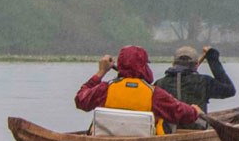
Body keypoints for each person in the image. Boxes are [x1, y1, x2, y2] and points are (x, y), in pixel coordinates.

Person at [74, 45, 203, 135]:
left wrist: (101, 72)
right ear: (143, 67)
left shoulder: (105, 89)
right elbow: (180, 113)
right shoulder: (155, 94)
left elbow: (80, 100)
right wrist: (194, 111)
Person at [155, 46, 236, 116]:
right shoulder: (204, 82)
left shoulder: (159, 84)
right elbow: (230, 90)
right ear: (196, 65)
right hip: (197, 126)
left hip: (168, 129)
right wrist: (212, 58)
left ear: (173, 64)